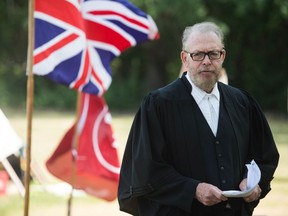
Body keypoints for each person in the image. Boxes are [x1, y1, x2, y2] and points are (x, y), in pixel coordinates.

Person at [118, 22, 279, 216]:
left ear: (223, 56)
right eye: (198, 55)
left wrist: (254, 183)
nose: (206, 61)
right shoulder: (159, 105)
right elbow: (146, 169)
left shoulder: (242, 103)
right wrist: (193, 189)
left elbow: (265, 155)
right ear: (184, 58)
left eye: (213, 54)